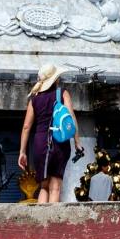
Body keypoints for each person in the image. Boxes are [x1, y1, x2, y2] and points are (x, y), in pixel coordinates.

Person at [17, 63, 84, 204]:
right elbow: (71, 119)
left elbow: (26, 126)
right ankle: (52, 224)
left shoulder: (34, 99)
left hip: (41, 143)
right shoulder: (63, 94)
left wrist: (22, 152)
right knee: (55, 188)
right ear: (56, 79)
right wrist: (77, 142)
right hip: (59, 142)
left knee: (43, 187)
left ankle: (41, 224)